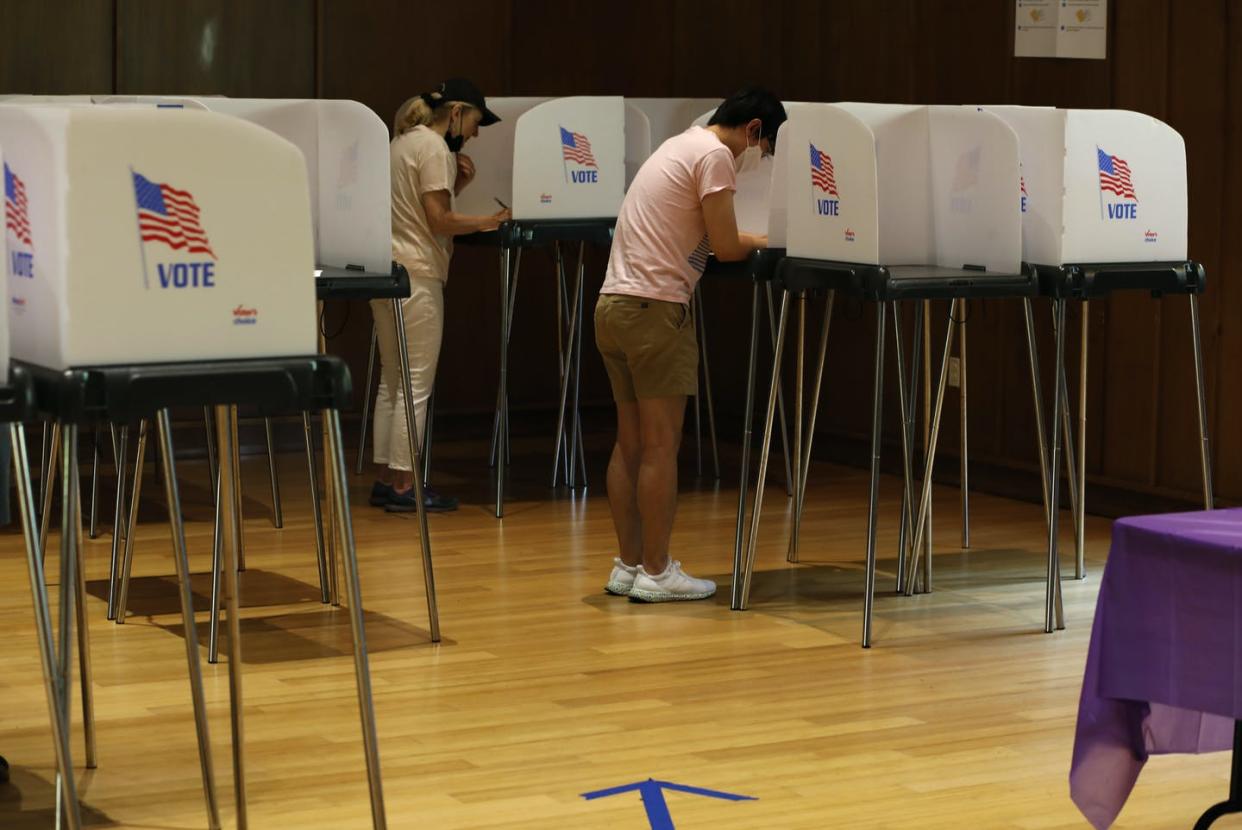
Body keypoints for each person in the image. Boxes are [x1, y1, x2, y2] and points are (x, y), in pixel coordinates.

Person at [595, 86, 786, 601]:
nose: (757, 159)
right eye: (764, 148)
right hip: (655, 309)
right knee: (660, 446)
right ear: (752, 130)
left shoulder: (679, 145)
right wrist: (769, 239)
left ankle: (628, 565)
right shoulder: (716, 155)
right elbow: (725, 247)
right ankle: (658, 573)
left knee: (630, 443)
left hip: (613, 303)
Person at [369, 79, 510, 512]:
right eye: (474, 121)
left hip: (388, 271)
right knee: (414, 383)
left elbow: (417, 212)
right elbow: (437, 221)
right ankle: (405, 486)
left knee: (392, 381)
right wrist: (493, 220)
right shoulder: (432, 148)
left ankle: (387, 479)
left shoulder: (403, 142)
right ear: (455, 112)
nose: (475, 132)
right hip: (418, 274)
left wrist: (458, 186)